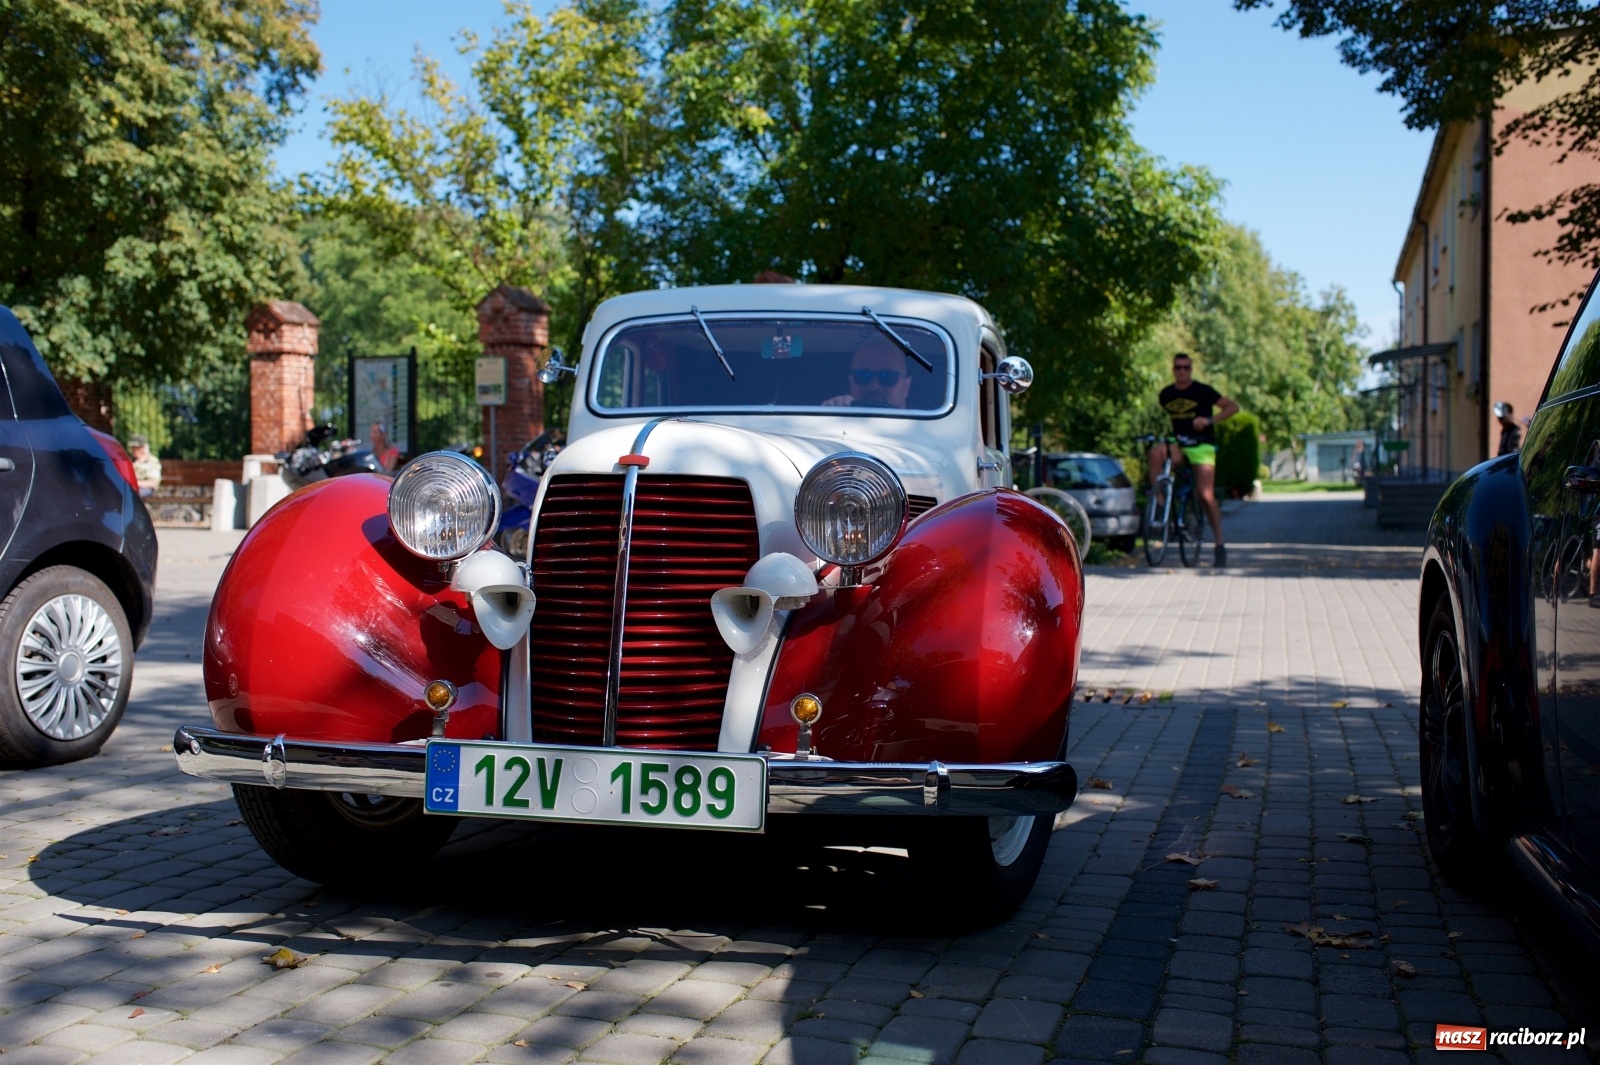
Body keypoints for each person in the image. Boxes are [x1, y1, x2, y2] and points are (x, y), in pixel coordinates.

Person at [1151, 353, 1239, 568]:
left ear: (1191, 369)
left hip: (1202, 445)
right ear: (1173, 369)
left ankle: (1219, 544)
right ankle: (1160, 504)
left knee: (1205, 494)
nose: (1182, 371)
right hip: (1179, 444)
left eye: (1186, 367)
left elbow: (1233, 407)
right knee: (1155, 452)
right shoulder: (1166, 394)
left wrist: (1209, 420)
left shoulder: (1203, 391)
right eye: (1178, 367)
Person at [821, 337, 912, 409]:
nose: (874, 386)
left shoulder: (922, 426)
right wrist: (828, 416)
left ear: (906, 386)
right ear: (851, 382)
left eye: (887, 377)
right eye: (863, 376)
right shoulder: (838, 421)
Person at [128, 434, 161, 498]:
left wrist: (136, 483)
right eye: (132, 447)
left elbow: (153, 483)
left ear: (142, 448)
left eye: (135, 447)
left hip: (146, 491)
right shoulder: (132, 461)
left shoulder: (152, 461)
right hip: (132, 489)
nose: (133, 450)